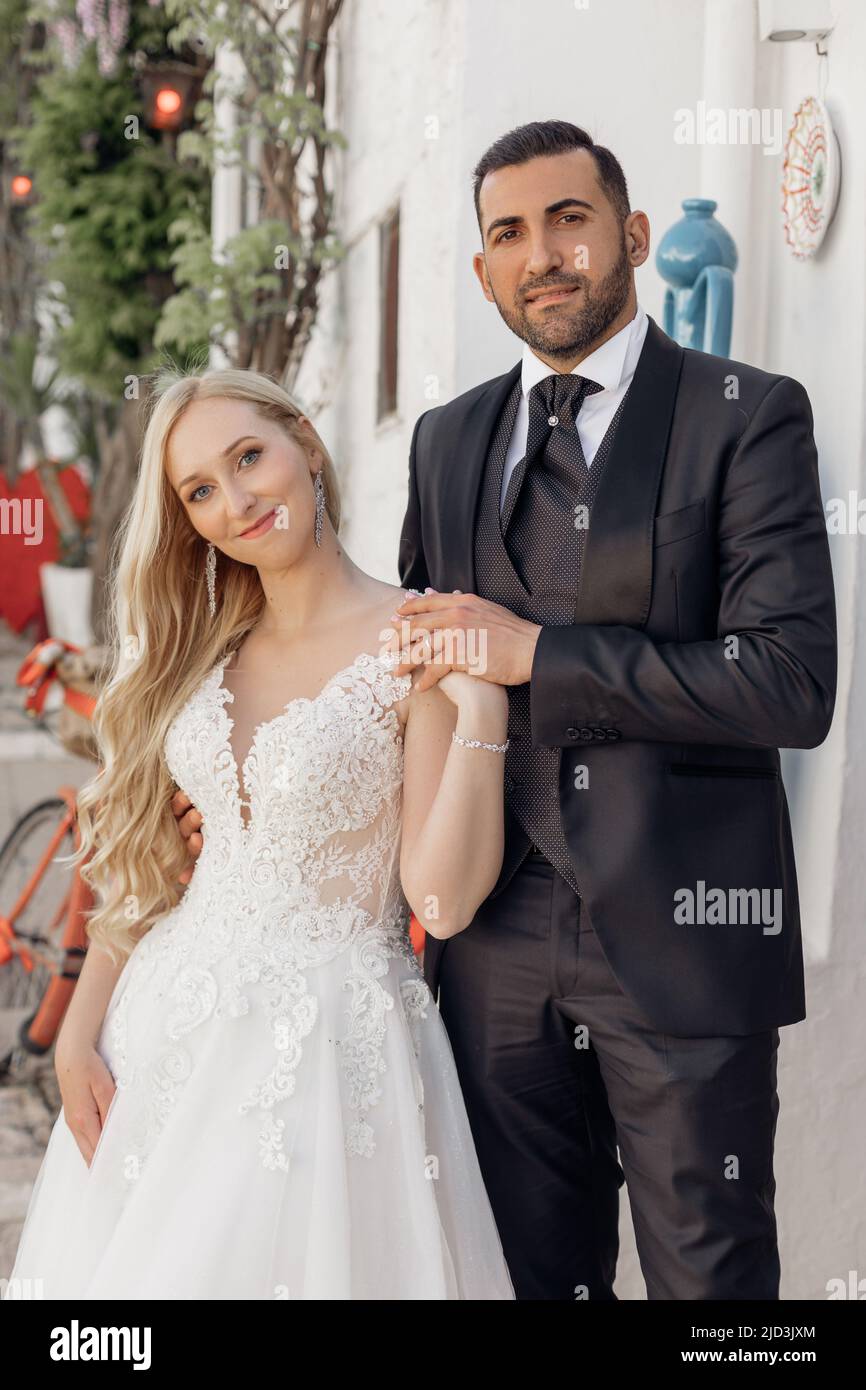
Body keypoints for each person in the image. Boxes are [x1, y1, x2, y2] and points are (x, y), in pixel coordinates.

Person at [391, 120, 836, 1300]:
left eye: (568, 220)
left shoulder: (745, 414)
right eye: (506, 234)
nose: (541, 254)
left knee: (714, 1286)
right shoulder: (444, 442)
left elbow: (788, 683)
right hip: (490, 943)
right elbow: (416, 679)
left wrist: (541, 652)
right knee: (528, 1279)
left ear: (630, 236)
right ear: (482, 271)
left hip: (686, 928)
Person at [3, 367, 516, 1300]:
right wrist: (78, 1032)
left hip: (324, 1056)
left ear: (306, 447)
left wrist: (482, 706)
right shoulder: (195, 652)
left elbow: (440, 904)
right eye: (199, 490)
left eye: (250, 458)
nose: (236, 501)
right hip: (160, 1037)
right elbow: (151, 867)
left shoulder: (411, 640)